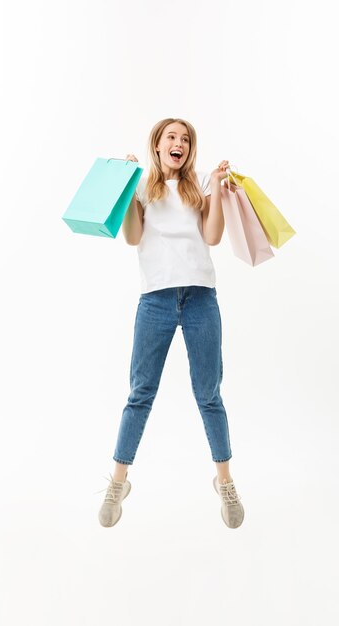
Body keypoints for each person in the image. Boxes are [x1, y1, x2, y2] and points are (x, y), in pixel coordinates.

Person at [98, 118, 244, 529]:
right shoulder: (144, 185)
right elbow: (131, 237)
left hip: (200, 299)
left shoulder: (199, 184)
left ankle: (225, 482)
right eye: (170, 138)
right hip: (156, 301)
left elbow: (213, 237)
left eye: (185, 139)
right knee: (140, 392)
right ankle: (118, 481)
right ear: (158, 146)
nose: (178, 143)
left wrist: (216, 186)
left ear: (189, 149)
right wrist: (127, 189)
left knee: (209, 393)